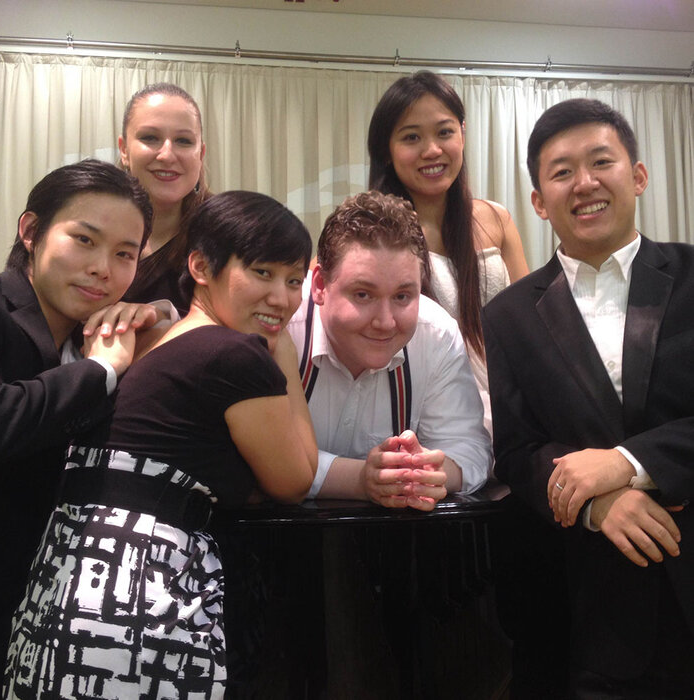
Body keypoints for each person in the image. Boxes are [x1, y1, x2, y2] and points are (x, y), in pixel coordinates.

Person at [4, 190, 317, 699]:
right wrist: (279, 350)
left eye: (294, 280)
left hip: (59, 592)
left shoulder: (149, 344)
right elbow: (295, 479)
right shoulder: (237, 354)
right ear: (200, 266)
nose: (281, 298)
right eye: (262, 272)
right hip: (141, 603)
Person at [483, 98, 694, 697]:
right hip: (591, 616)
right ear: (538, 201)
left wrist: (628, 464)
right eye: (562, 171)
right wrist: (595, 505)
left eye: (602, 161)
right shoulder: (509, 315)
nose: (585, 183)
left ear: (639, 175)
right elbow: (517, 451)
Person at [0, 159, 155, 691]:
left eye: (124, 254)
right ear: (31, 231)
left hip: (57, 618)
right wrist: (99, 371)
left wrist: (159, 318)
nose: (102, 268)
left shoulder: (101, 336)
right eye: (84, 240)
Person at [290, 190, 491, 510]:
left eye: (402, 297)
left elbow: (468, 448)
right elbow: (254, 451)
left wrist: (425, 472)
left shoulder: (436, 335)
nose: (385, 322)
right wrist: (360, 479)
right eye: (363, 295)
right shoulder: (282, 326)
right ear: (319, 286)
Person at [368, 70, 529, 432]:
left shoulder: (495, 219)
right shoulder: (371, 234)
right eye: (412, 137)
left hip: (508, 412)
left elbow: (531, 327)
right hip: (418, 418)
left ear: (462, 133)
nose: (432, 150)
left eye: (444, 132)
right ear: (386, 151)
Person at [119, 82, 209, 314]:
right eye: (150, 138)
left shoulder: (226, 235)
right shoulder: (88, 226)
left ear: (201, 154)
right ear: (124, 150)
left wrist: (165, 319)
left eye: (183, 141)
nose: (167, 155)